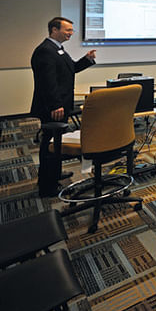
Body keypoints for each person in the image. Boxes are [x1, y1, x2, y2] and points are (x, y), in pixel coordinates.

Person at [30, 17, 96, 197]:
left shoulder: (57, 49)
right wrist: (55, 104)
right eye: (67, 30)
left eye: (72, 30)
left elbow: (71, 69)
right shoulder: (45, 51)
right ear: (54, 30)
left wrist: (87, 60)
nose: (71, 33)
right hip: (53, 106)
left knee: (56, 141)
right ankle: (47, 186)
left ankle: (54, 174)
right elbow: (47, 82)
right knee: (50, 143)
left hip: (60, 104)